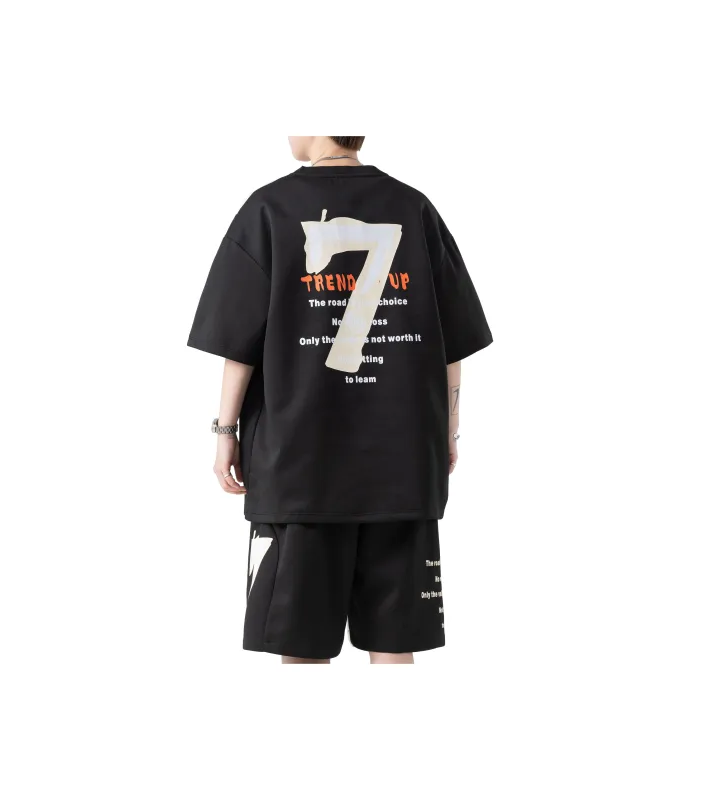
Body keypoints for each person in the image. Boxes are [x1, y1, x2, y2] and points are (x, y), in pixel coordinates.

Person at [188, 136, 492, 664]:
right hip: (402, 467)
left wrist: (225, 432)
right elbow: (452, 343)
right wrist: (448, 432)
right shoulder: (413, 207)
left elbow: (238, 345)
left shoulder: (270, 208)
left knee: (300, 652)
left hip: (298, 470)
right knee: (394, 651)